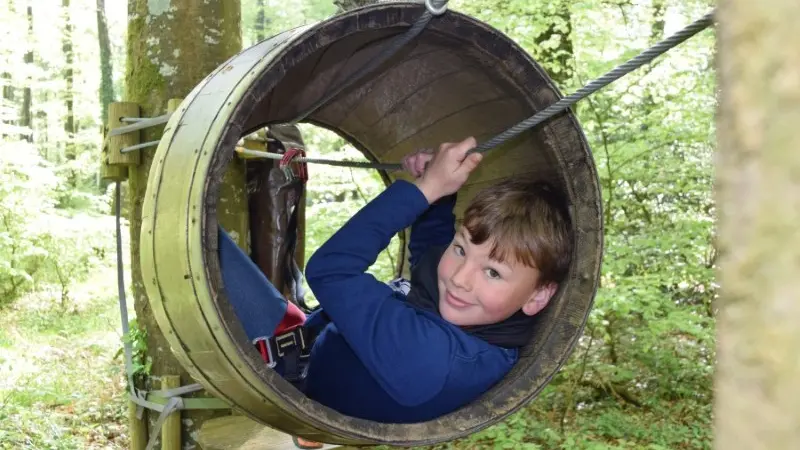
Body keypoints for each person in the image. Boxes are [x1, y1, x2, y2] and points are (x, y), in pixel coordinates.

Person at [218, 136, 572, 446]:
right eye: (461, 248)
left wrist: (423, 190)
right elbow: (430, 258)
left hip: (281, 378)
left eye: (493, 272)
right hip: (304, 335)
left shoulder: (433, 360)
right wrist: (438, 195)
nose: (460, 278)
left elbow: (330, 270)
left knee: (201, 242)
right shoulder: (487, 318)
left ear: (538, 296)